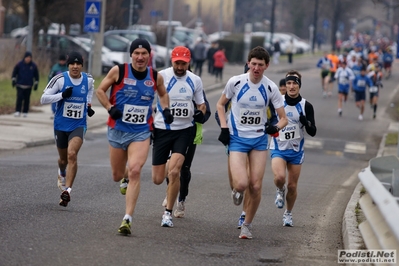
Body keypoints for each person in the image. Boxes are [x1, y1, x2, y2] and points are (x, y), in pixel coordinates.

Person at [95, 39, 172, 235]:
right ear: (131, 55)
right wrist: (109, 108)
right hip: (117, 129)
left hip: (141, 131)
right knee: (117, 174)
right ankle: (124, 178)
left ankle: (127, 218)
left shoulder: (155, 76)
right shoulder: (118, 71)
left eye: (144, 53)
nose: (140, 57)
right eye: (136, 53)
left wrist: (166, 109)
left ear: (149, 55)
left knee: (136, 170)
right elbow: (100, 90)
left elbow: (163, 95)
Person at [216, 46, 288, 239]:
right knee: (241, 184)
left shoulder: (271, 87)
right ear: (248, 63)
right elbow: (220, 105)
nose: (256, 68)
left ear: (266, 66)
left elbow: (283, 118)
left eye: (260, 65)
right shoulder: (236, 82)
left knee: (255, 186)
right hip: (237, 139)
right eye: (253, 64)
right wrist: (224, 128)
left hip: (258, 141)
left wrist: (276, 128)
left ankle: (246, 224)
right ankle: (237, 191)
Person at [151, 46, 206, 228]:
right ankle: (129, 173)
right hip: (162, 128)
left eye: (183, 63)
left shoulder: (195, 80)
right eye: (177, 63)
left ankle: (168, 213)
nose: (180, 67)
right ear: (171, 61)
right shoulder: (161, 76)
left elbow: (202, 105)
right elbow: (148, 99)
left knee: (176, 171)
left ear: (189, 62)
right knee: (158, 178)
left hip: (185, 130)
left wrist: (200, 113)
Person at [40, 51, 95, 207]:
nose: (75, 67)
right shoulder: (60, 79)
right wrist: (62, 95)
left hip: (78, 124)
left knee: (72, 155)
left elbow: (90, 90)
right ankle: (61, 171)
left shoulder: (88, 80)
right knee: (63, 159)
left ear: (82, 66)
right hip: (60, 125)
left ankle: (67, 191)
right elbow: (43, 98)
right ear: (68, 65)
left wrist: (88, 105)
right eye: (72, 63)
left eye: (78, 64)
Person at [270, 70, 317, 227]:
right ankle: (279, 190)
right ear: (285, 86)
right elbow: (268, 119)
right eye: (288, 83)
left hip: (296, 150)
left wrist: (307, 122)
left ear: (299, 86)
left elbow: (313, 131)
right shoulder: (277, 102)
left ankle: (288, 213)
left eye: (294, 83)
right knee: (279, 178)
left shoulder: (306, 106)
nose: (291, 86)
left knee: (292, 186)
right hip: (278, 147)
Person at [161, 90, 211, 218]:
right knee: (171, 166)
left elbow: (206, 110)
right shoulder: (169, 83)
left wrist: (200, 115)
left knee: (184, 169)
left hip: (190, 134)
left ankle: (181, 199)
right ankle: (170, 192)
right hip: (170, 131)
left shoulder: (194, 85)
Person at [11, 51, 39, 117]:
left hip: (28, 85)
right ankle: (18, 111)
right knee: (19, 98)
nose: (28, 59)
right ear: (24, 57)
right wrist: (13, 80)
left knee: (27, 99)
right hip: (20, 84)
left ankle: (25, 111)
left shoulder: (34, 66)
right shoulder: (19, 64)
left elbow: (36, 75)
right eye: (27, 57)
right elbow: (14, 72)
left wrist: (36, 83)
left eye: (29, 57)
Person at [48, 54, 68, 119]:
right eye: (61, 60)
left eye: (63, 60)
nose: (62, 62)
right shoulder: (55, 68)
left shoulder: (67, 68)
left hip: (64, 87)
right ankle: (54, 112)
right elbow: (50, 77)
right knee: (54, 99)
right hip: (55, 86)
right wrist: (49, 85)